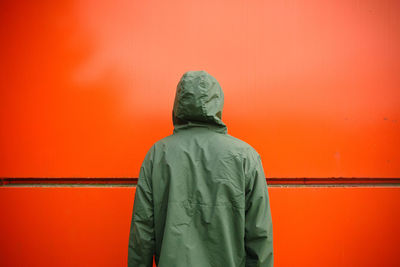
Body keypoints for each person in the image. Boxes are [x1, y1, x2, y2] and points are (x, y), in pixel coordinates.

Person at [128, 70, 273, 267]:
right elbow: (259, 235)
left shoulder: (158, 154)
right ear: (218, 102)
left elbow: (142, 233)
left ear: (178, 104)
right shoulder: (245, 156)